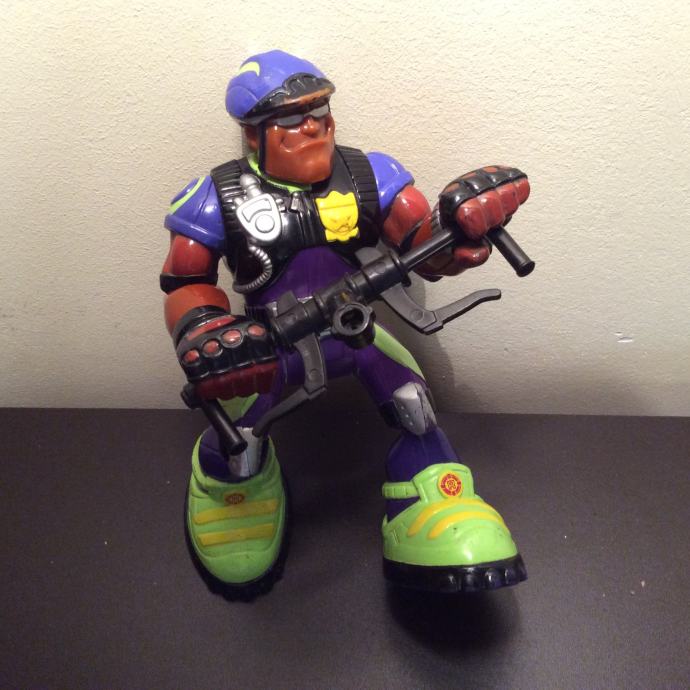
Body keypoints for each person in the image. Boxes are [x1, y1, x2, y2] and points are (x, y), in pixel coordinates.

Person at [161, 50, 530, 595]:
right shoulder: (216, 197)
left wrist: (460, 229)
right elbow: (184, 281)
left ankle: (436, 499)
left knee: (414, 405)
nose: (314, 126)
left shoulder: (369, 175)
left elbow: (423, 246)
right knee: (240, 436)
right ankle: (232, 486)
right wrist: (205, 332)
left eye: (320, 110)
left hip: (356, 331)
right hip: (272, 344)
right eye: (292, 118)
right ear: (252, 135)